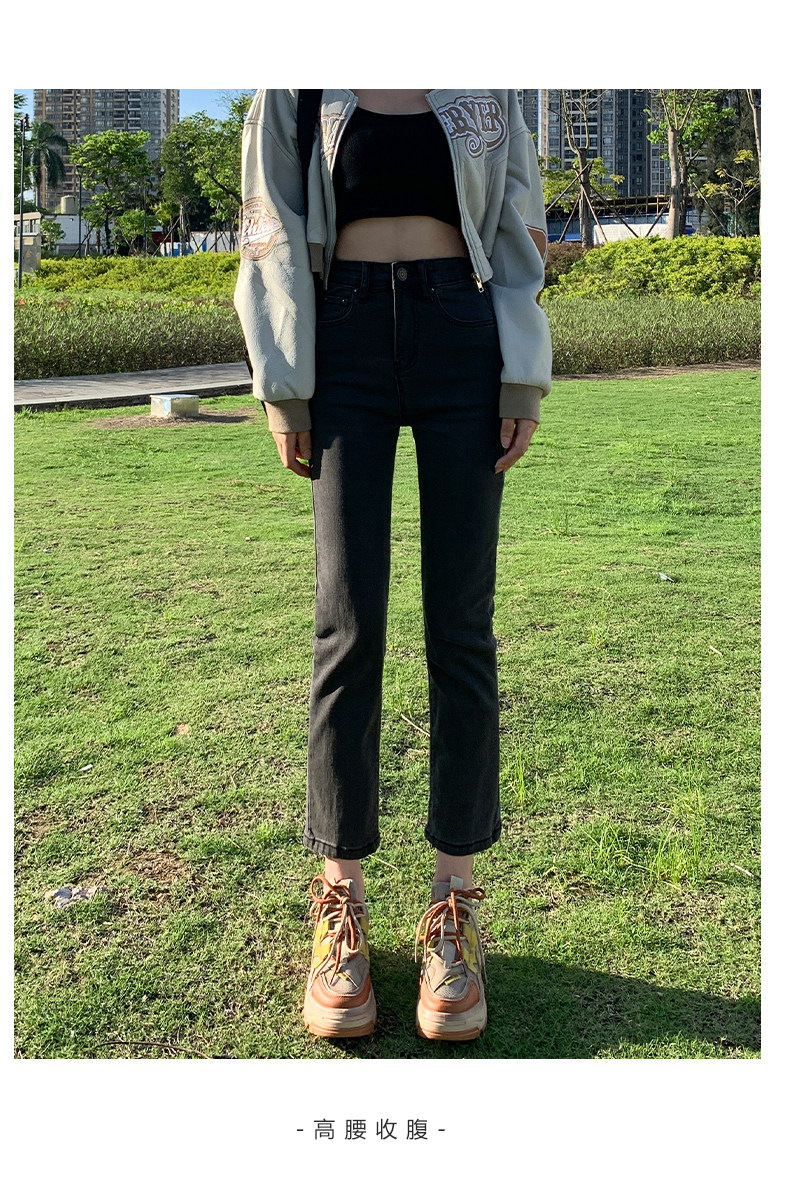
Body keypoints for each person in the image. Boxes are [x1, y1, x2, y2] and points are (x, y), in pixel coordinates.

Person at [234, 89, 552, 1042]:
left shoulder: (487, 77)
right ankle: (342, 905)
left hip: (464, 333)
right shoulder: (299, 82)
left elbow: (517, 224)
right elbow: (268, 230)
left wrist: (522, 374)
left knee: (461, 629)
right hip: (345, 338)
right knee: (348, 626)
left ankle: (456, 907)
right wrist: (284, 387)